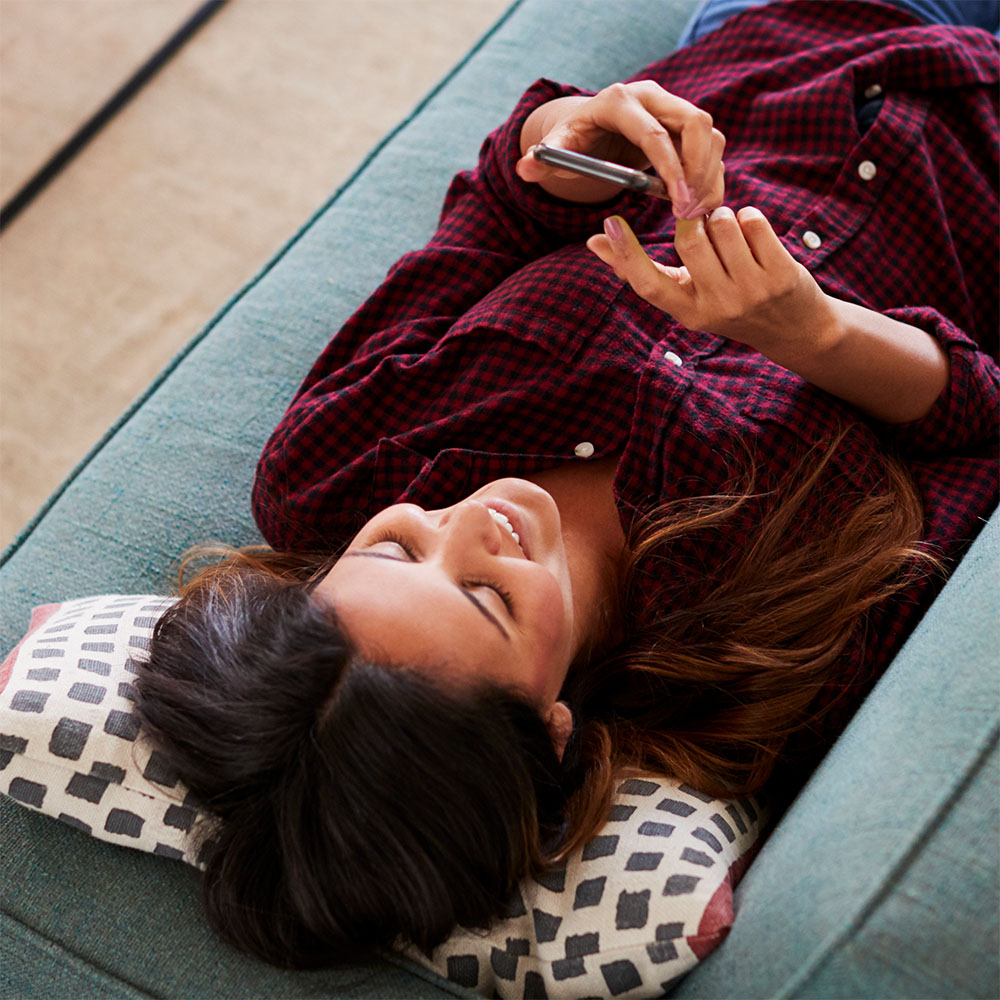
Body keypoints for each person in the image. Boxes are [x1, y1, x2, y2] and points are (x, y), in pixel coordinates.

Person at [134, 0, 999, 971]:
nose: (471, 523)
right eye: (485, 596)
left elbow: (496, 211)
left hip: (795, 37)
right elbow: (978, 441)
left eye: (395, 545)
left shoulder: (334, 463)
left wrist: (557, 139)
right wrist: (820, 337)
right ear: (550, 733)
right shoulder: (770, 670)